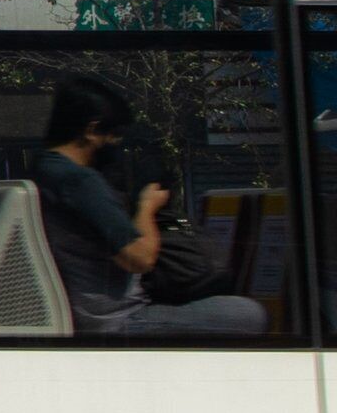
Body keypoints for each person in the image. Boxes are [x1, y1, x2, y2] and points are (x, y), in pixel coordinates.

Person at [28, 77, 265, 339]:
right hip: (120, 320)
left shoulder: (42, 171)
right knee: (249, 313)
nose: (116, 143)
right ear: (92, 130)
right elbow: (140, 258)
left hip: (87, 315)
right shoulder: (80, 181)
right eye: (113, 134)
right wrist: (147, 206)